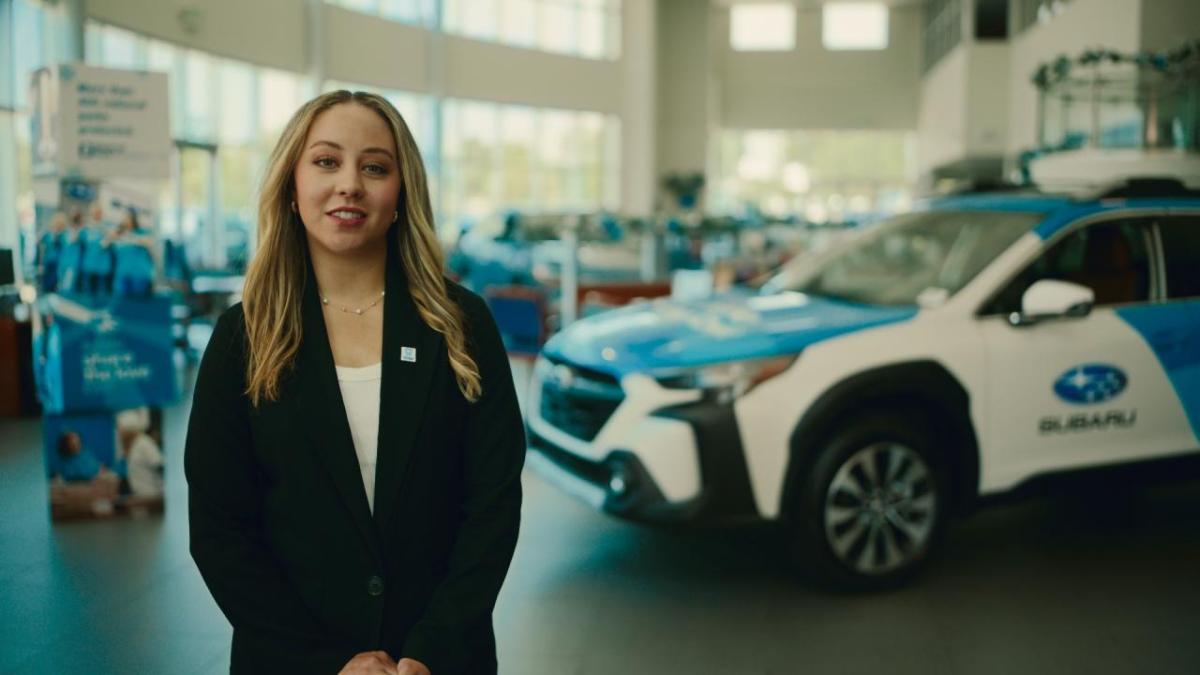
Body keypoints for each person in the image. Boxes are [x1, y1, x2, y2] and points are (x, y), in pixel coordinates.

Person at [184, 90, 525, 675]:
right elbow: (221, 531)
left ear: (401, 192)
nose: (350, 184)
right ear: (291, 186)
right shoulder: (243, 339)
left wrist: (431, 649)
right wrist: (327, 663)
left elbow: (493, 506)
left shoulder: (461, 325)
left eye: (374, 166)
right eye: (325, 161)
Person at [110, 209, 156, 297]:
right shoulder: (118, 236)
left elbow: (149, 243)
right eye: (124, 218)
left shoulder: (142, 233)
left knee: (139, 306)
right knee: (123, 306)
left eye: (128, 218)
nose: (126, 220)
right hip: (123, 276)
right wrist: (115, 235)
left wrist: (131, 236)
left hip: (140, 276)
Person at [80, 201, 115, 295]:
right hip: (88, 267)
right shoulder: (86, 228)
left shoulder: (108, 227)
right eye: (94, 212)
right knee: (88, 295)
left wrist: (108, 235)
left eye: (98, 212)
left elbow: (110, 242)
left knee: (101, 295)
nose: (96, 214)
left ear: (102, 213)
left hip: (103, 268)